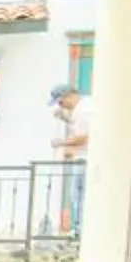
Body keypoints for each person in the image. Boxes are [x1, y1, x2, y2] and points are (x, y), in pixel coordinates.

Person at [49, 83, 92, 235]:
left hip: (84, 160)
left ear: (69, 96)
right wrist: (65, 118)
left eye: (61, 102)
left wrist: (61, 143)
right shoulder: (83, 107)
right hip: (81, 157)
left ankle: (79, 230)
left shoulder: (83, 111)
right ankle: (79, 229)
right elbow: (79, 126)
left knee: (79, 195)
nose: (62, 106)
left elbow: (85, 137)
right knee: (78, 195)